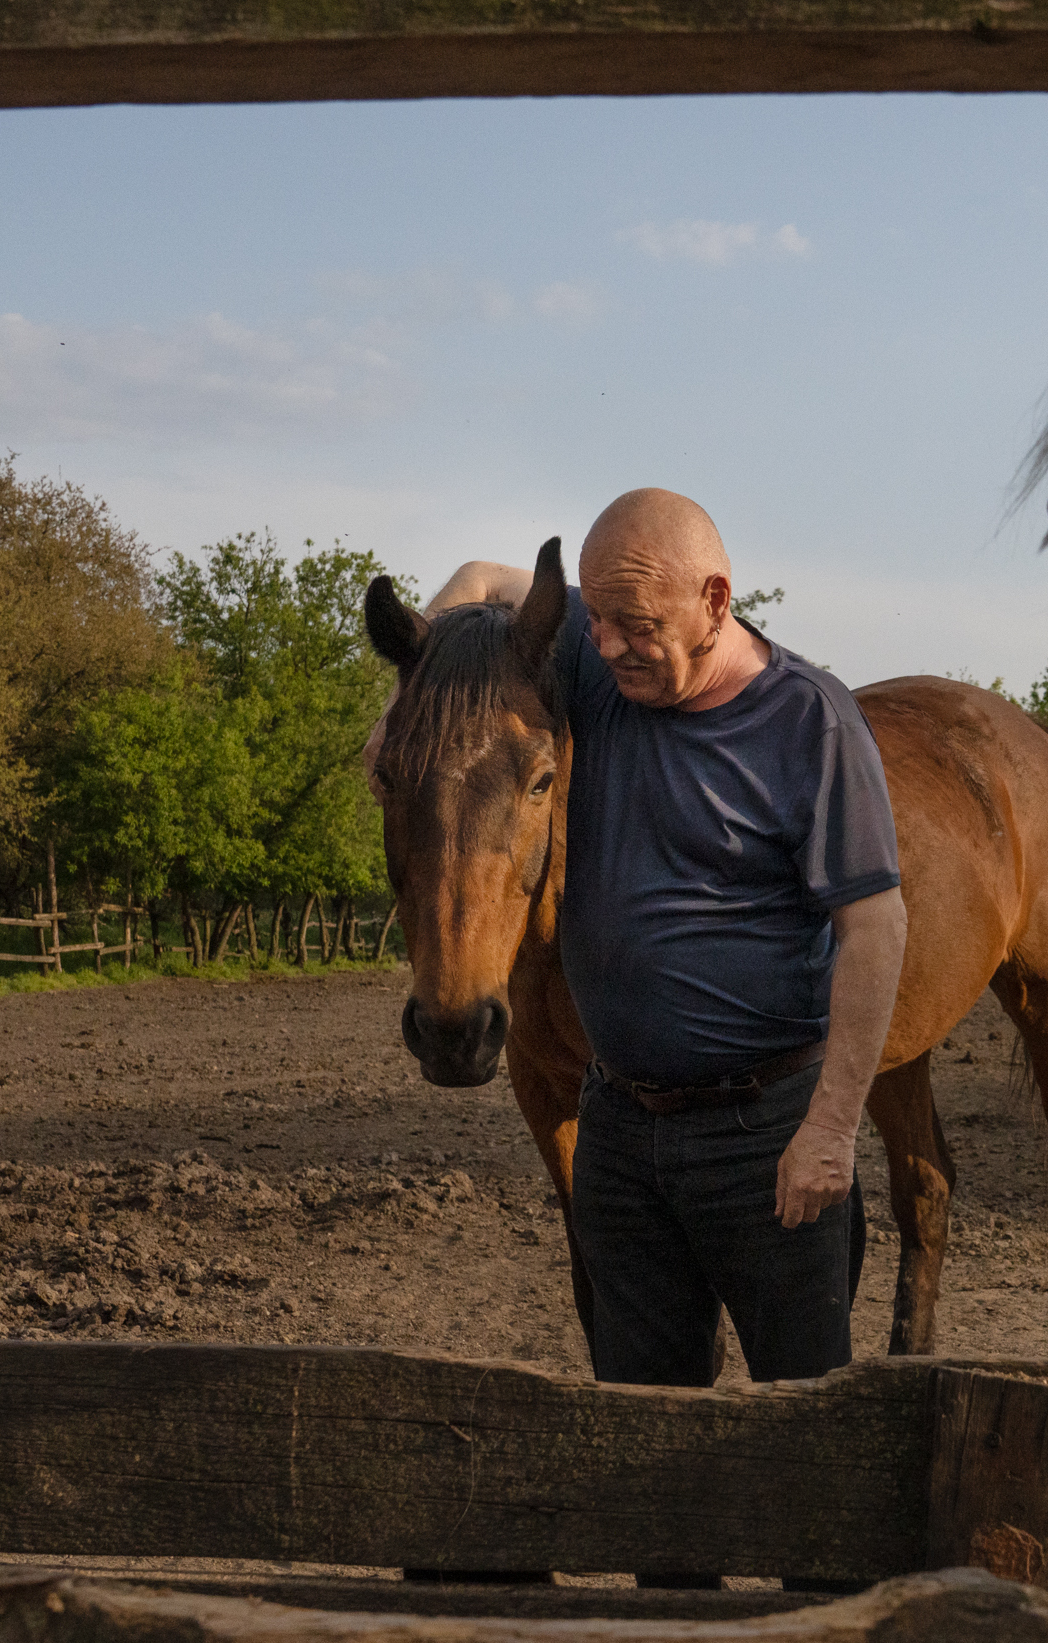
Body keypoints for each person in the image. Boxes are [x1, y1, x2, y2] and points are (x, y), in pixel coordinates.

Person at [387, 489, 907, 1390]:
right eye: (599, 622)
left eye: (637, 625)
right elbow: (479, 578)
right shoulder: (597, 667)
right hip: (620, 1132)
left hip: (766, 1132)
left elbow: (873, 928)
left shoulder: (807, 721)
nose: (613, 645)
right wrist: (420, 697)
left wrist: (831, 1129)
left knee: (804, 1396)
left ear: (714, 599)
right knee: (637, 1403)